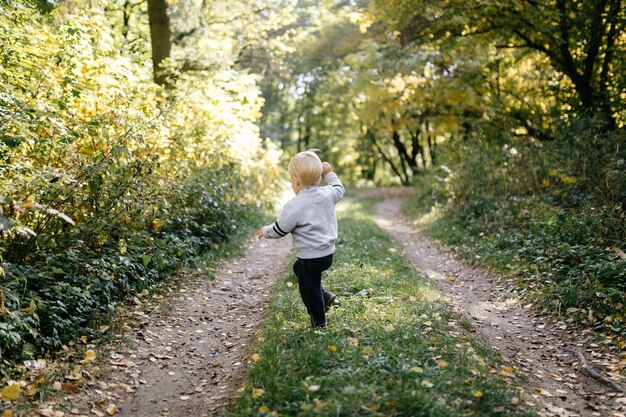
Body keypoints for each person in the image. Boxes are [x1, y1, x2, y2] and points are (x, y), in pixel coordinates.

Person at [258, 150, 345, 328]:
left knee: (309, 290)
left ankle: (319, 322)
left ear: (296, 180)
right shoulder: (328, 194)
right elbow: (339, 188)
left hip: (311, 258)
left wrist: (265, 231)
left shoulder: (294, 205)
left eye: (291, 179)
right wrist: (330, 172)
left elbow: (280, 229)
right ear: (318, 177)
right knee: (299, 269)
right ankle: (326, 297)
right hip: (327, 255)